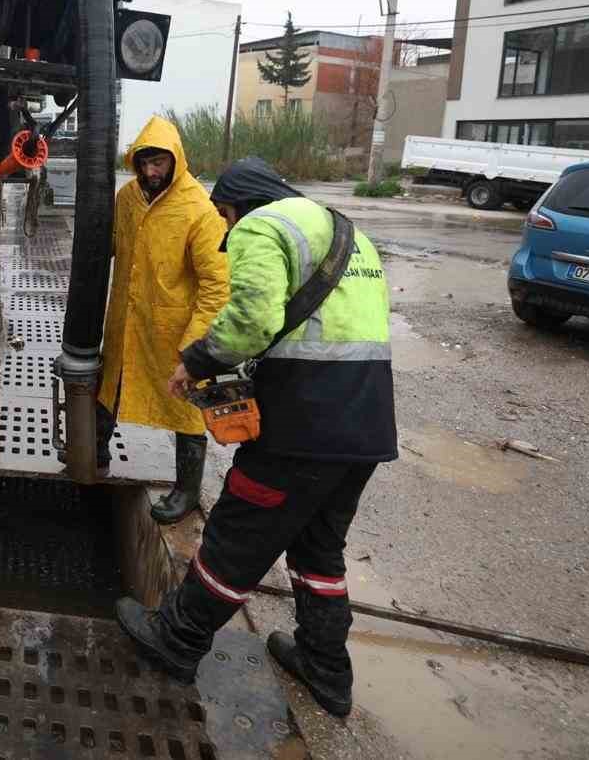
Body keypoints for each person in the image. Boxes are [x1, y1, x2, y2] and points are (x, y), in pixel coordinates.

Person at [114, 157, 397, 718]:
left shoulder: (262, 226)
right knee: (319, 550)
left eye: (223, 213)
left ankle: (179, 637)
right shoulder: (343, 229)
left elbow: (252, 319)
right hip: (365, 424)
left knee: (237, 534)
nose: (223, 223)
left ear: (237, 204)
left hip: (302, 428)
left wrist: (194, 362)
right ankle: (326, 669)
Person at [96, 117, 229, 523]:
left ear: (176, 161)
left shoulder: (199, 211)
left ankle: (186, 491)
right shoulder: (128, 198)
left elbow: (217, 285)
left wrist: (195, 345)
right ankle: (96, 448)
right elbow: (111, 246)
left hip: (174, 330)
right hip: (125, 319)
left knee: (186, 408)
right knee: (111, 384)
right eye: (144, 163)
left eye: (159, 163)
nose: (151, 172)